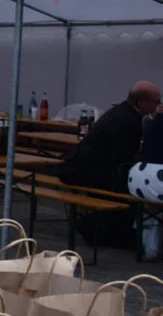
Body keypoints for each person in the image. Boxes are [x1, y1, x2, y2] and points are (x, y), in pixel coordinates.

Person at [60, 82, 160, 249]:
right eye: (156, 101)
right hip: (86, 172)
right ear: (142, 103)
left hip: (77, 167)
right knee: (135, 191)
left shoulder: (121, 111)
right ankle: (114, 233)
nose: (158, 105)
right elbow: (123, 159)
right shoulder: (130, 120)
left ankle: (106, 228)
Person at [127, 109, 163, 260]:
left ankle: (151, 249)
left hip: (139, 178)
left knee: (152, 209)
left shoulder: (152, 123)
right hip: (158, 177)